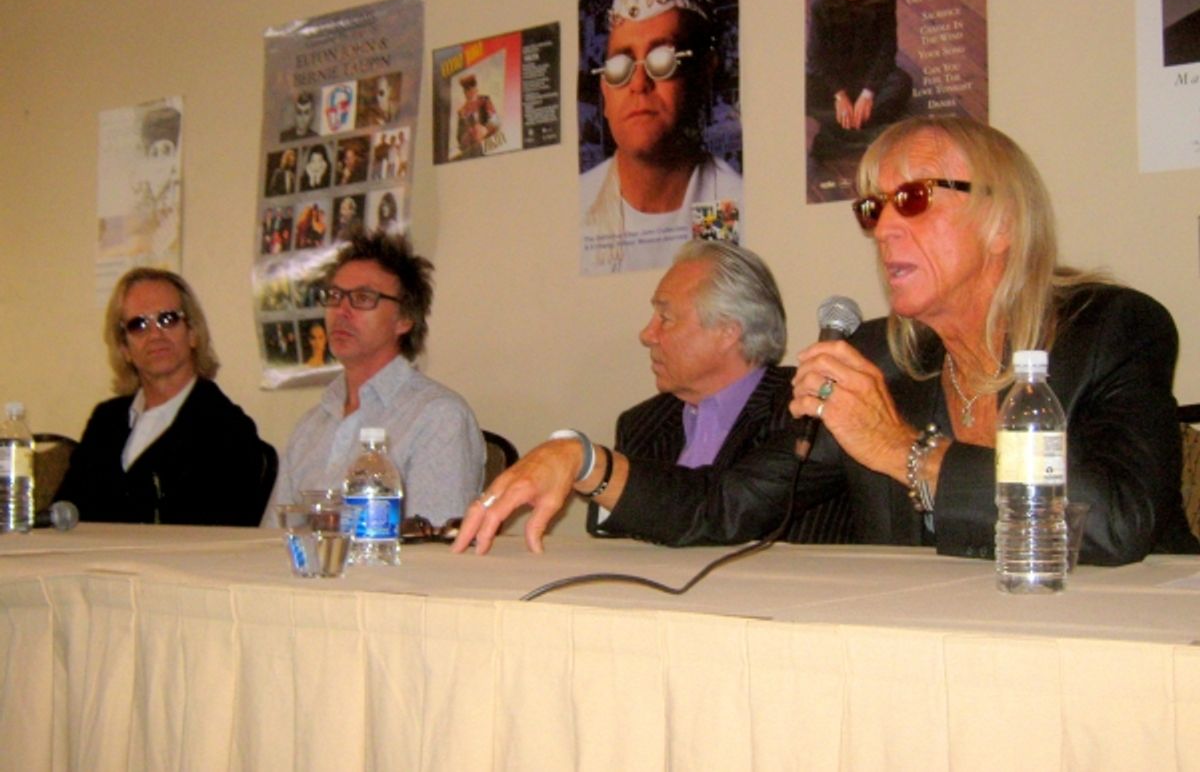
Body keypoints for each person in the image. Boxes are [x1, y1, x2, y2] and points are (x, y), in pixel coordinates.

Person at [787, 116, 1197, 564]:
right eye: (873, 209)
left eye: (913, 198)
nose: (883, 229)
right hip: (938, 627)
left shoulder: (1113, 329)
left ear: (1001, 223)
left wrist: (903, 450)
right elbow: (744, 501)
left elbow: (1117, 521)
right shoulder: (876, 354)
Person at [452, 240, 851, 555]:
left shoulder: (806, 410)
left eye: (666, 317)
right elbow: (623, 544)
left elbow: (724, 510)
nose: (647, 334)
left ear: (728, 331)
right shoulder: (643, 423)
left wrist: (586, 460)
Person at [264, 230, 485, 526]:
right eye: (334, 296)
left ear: (405, 319)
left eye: (363, 298)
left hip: (387, 571)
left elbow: (435, 552)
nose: (341, 311)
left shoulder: (438, 416)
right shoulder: (310, 426)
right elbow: (273, 537)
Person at [57, 268, 272, 525]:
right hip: (88, 563)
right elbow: (65, 513)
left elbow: (212, 534)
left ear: (193, 333)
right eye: (139, 325)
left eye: (168, 319)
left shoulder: (227, 429)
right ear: (124, 347)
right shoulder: (106, 420)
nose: (155, 335)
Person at [580, 0, 742, 275]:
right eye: (620, 66)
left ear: (704, 73)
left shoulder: (735, 204)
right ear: (605, 90)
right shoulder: (576, 207)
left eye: (662, 60)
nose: (639, 83)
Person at [806, 0, 912, 157]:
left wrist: (868, 94)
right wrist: (840, 95)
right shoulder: (821, 7)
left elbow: (887, 50)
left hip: (870, 77)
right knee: (800, 91)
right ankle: (868, 135)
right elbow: (816, 57)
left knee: (903, 84)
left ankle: (838, 135)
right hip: (837, 82)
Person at [455, 74, 500, 159]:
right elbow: (459, 137)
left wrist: (484, 130)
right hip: (472, 148)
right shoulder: (462, 111)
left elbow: (495, 121)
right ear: (464, 93)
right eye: (466, 90)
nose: (469, 93)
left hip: (489, 142)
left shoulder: (485, 101)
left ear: (476, 89)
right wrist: (469, 134)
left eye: (471, 89)